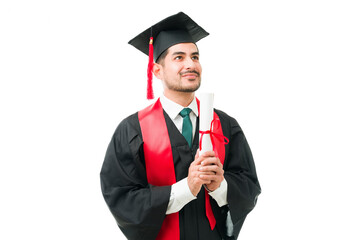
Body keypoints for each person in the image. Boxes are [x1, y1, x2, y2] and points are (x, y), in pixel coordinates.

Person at [100, 12, 261, 240]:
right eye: (179, 57)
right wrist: (187, 188)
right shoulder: (132, 130)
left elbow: (250, 186)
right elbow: (121, 198)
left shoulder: (225, 125)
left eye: (195, 57)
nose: (190, 64)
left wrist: (221, 186)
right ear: (157, 70)